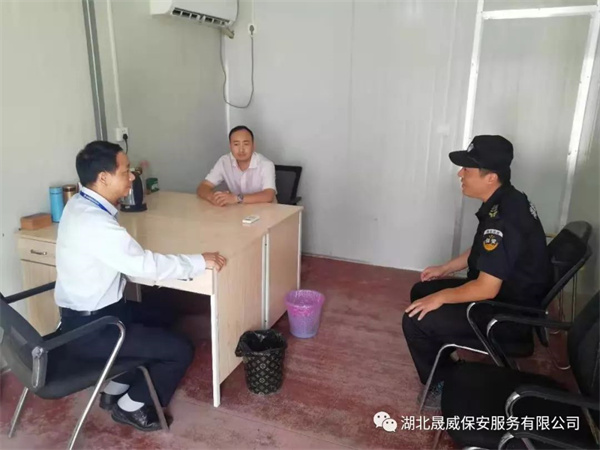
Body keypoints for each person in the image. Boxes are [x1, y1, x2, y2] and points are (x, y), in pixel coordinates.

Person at [55, 141, 227, 431]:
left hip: (86, 317)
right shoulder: (95, 223)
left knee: (163, 311)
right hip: (96, 330)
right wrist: (199, 260)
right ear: (103, 178)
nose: (132, 176)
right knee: (180, 350)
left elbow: (125, 257)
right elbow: (145, 266)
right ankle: (133, 406)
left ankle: (115, 388)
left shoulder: (79, 205)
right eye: (125, 171)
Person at [402, 135, 552, 406]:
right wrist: (446, 268)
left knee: (415, 320)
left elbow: (486, 288)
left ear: (490, 177)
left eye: (467, 170)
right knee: (421, 291)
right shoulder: (506, 200)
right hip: (506, 295)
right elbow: (485, 249)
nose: (460, 174)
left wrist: (441, 297)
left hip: (508, 313)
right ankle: (448, 361)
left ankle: (442, 388)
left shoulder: (504, 217)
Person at [196, 125, 276, 206]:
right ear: (230, 146)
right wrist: (213, 198)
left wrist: (236, 198)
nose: (241, 150)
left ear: (253, 146)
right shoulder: (224, 161)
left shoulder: (266, 164)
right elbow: (203, 186)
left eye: (246, 144)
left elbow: (268, 195)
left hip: (266, 209)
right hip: (238, 210)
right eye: (236, 144)